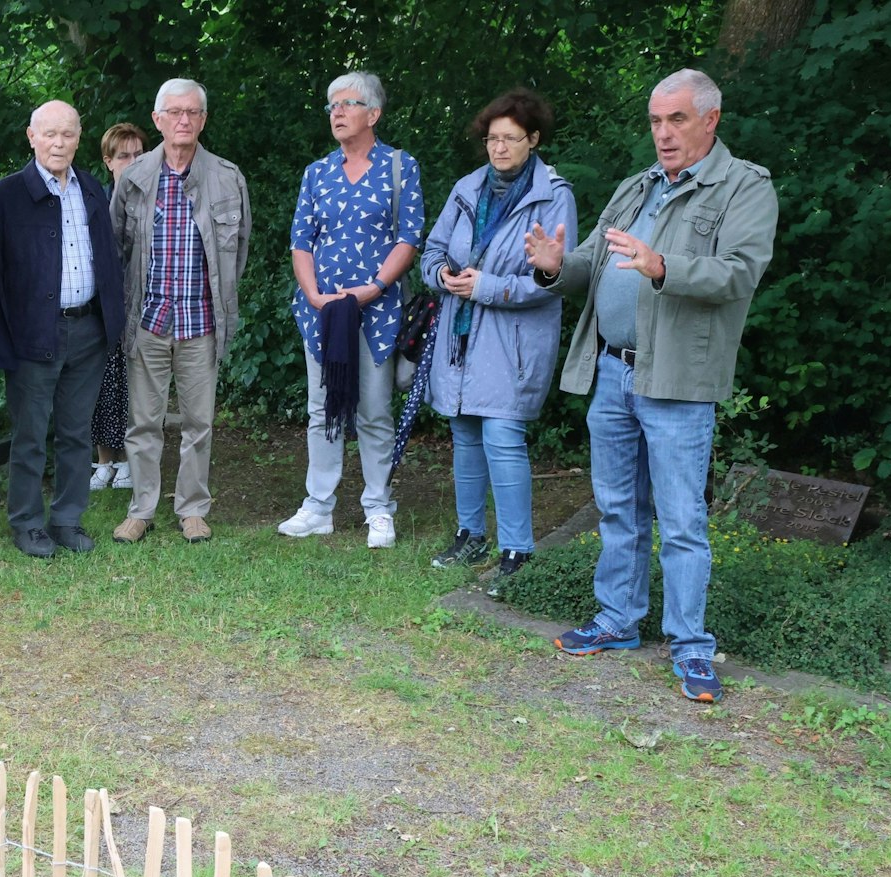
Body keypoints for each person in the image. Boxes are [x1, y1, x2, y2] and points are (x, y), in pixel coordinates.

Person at [526, 68, 778, 704]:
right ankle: (617, 620)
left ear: (710, 120)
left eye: (677, 120)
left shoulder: (742, 187)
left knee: (682, 518)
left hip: (676, 377)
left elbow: (739, 273)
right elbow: (589, 258)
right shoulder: (638, 186)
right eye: (656, 121)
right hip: (613, 368)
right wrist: (557, 267)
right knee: (617, 507)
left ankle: (691, 646)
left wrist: (662, 265)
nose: (662, 134)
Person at [418, 90, 577, 596]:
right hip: (460, 335)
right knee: (464, 433)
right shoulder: (468, 187)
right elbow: (433, 250)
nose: (499, 148)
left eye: (511, 138)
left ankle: (517, 548)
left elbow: (556, 278)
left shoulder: (555, 195)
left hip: (512, 341)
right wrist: (443, 274)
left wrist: (486, 286)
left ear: (533, 140)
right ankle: (471, 536)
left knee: (502, 438)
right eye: (492, 138)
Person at [277, 70, 423, 549]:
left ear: (373, 114)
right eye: (331, 105)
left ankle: (378, 506)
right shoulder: (316, 172)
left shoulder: (400, 167)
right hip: (321, 310)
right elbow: (301, 241)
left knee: (375, 411)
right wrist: (316, 296)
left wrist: (377, 286)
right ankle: (318, 506)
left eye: (347, 103)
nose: (336, 112)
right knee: (323, 409)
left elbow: (408, 237)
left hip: (376, 310)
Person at [110, 78, 250, 545]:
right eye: (174, 112)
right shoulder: (134, 177)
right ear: (158, 120)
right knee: (144, 421)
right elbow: (118, 247)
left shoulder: (227, 177)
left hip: (200, 323)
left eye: (192, 112)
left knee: (199, 423)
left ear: (203, 120)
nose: (183, 120)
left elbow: (239, 250)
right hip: (148, 320)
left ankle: (192, 508)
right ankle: (142, 508)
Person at [0, 100, 124, 558]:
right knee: (29, 432)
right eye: (50, 134)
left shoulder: (92, 188)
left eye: (67, 134)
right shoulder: (4, 196)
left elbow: (108, 254)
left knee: (77, 431)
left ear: (79, 137)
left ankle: (66, 519)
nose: (59, 143)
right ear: (31, 137)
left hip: (89, 329)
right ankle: (26, 522)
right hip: (33, 333)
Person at [89, 122, 145, 493]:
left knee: (133, 386)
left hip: (140, 305)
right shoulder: (95, 199)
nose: (133, 161)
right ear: (109, 161)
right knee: (100, 384)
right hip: (100, 306)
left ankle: (128, 459)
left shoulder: (154, 196)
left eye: (139, 154)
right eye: (124, 156)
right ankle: (103, 461)